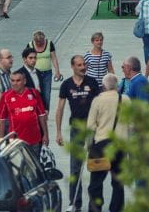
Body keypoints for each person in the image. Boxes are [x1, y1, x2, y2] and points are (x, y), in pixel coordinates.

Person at [56, 55, 100, 211]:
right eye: (80, 65)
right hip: (76, 130)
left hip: (92, 129)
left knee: (96, 166)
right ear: (73, 66)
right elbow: (60, 109)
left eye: (84, 64)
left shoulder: (93, 83)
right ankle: (75, 203)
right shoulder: (66, 85)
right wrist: (59, 132)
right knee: (75, 168)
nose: (83, 67)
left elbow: (99, 105)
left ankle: (95, 205)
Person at [85, 73, 128, 212]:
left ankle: (95, 209)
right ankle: (116, 209)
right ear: (116, 86)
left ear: (103, 86)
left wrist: (88, 146)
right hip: (120, 146)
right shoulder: (125, 99)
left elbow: (91, 126)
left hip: (101, 147)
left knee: (96, 183)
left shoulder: (98, 100)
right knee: (118, 182)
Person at [0, 70, 48, 153]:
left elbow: (42, 115)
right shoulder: (5, 96)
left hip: (34, 140)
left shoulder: (34, 93)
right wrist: (1, 141)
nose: (15, 83)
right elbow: (1, 120)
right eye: (12, 81)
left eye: (18, 80)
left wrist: (45, 135)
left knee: (34, 165)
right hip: (15, 142)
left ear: (24, 81)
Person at [29, 31, 61, 109]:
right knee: (36, 93)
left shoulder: (49, 43)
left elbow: (53, 58)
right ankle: (36, 111)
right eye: (37, 42)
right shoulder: (30, 45)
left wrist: (57, 71)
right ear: (34, 41)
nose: (39, 44)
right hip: (35, 73)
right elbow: (27, 59)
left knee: (46, 94)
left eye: (41, 42)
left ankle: (46, 112)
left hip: (47, 73)